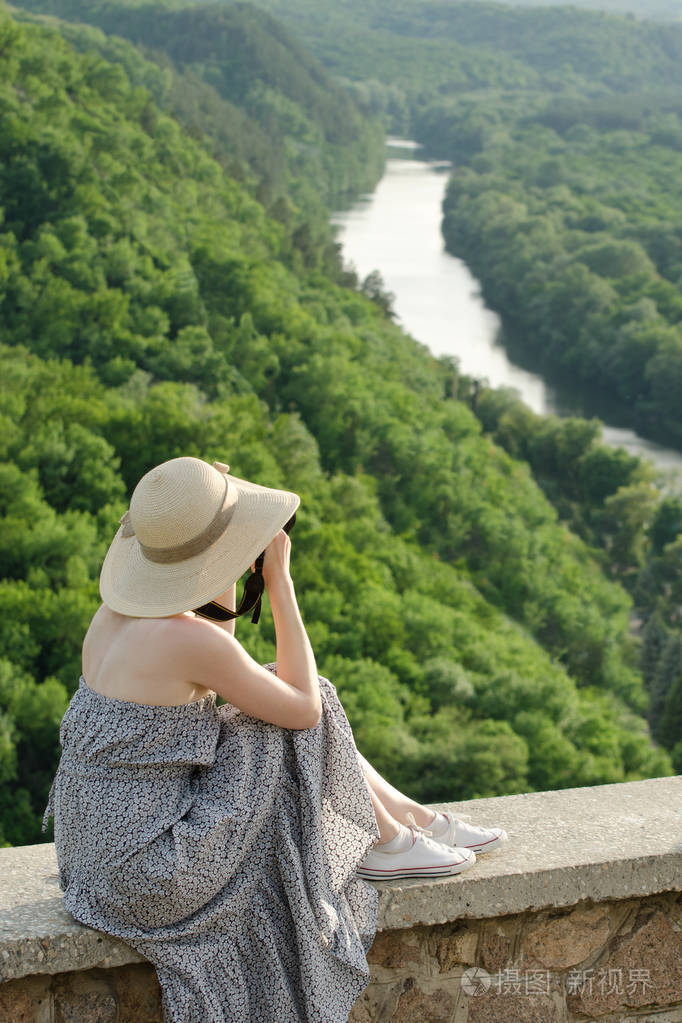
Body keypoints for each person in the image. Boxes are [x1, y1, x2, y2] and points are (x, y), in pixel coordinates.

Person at [42, 456, 508, 1023]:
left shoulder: (113, 615)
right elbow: (303, 710)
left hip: (94, 856)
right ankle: (388, 841)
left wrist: (221, 566)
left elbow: (225, 662)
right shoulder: (186, 641)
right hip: (151, 873)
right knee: (307, 703)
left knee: (273, 692)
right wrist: (279, 583)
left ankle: (410, 822)